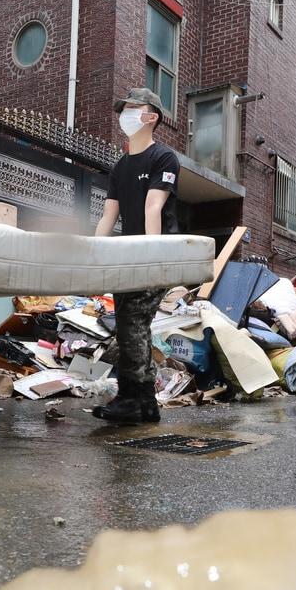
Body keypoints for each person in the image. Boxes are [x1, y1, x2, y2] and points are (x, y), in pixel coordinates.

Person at [91, 88, 181, 425]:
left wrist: (152, 257)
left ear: (152, 116)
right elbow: (107, 217)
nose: (124, 114)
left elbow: (153, 206)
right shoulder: (120, 165)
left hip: (157, 254)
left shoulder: (164, 158)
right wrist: (93, 255)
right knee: (130, 324)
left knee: (134, 322)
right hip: (127, 257)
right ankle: (143, 403)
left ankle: (133, 398)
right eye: (123, 109)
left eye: (133, 108)